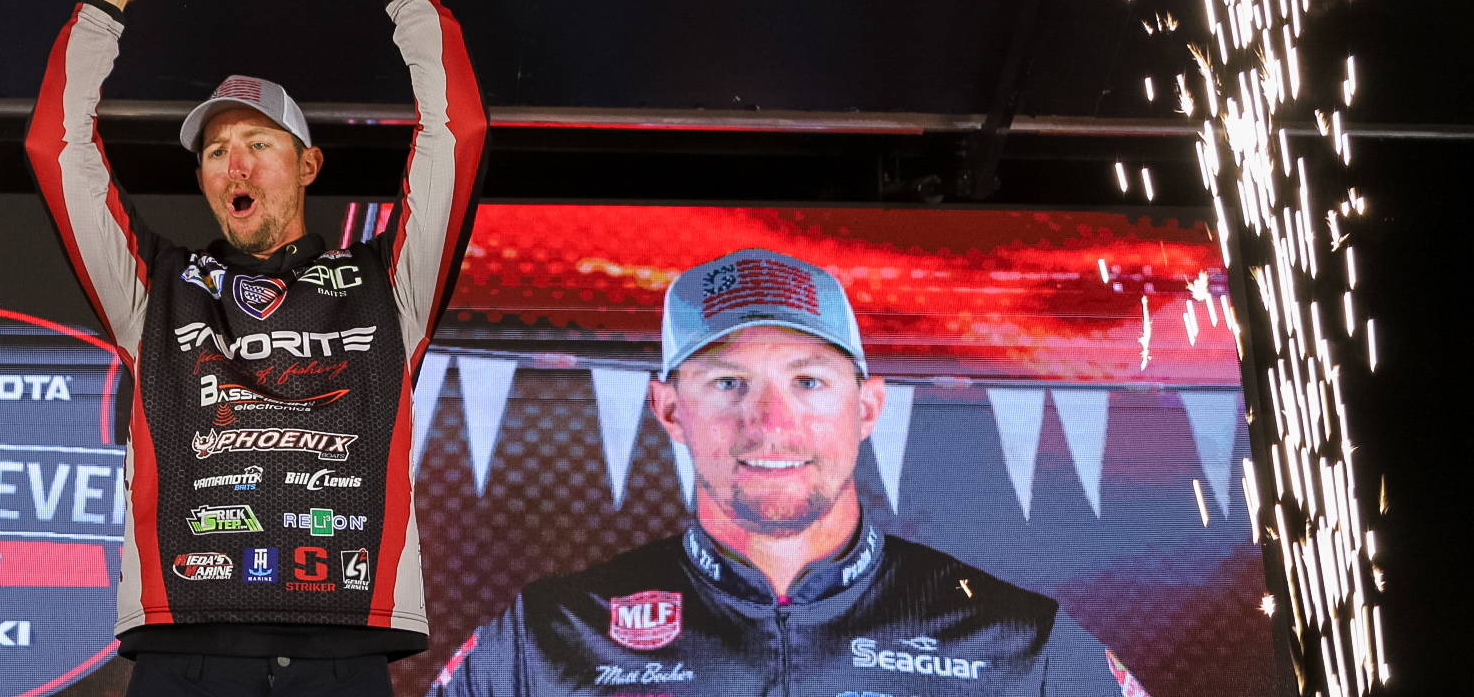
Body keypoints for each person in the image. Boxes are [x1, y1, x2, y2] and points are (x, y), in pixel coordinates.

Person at [27, 0, 488, 697]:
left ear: (308, 166)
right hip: (185, 648)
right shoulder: (157, 289)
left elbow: (458, 136)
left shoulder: (387, 285)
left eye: (257, 144)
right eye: (214, 151)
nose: (232, 166)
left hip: (345, 649)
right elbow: (56, 147)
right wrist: (104, 3)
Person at [428, 248, 1150, 697]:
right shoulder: (548, 636)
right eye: (727, 383)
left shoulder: (1016, 640)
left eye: (808, 382)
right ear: (669, 409)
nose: (770, 424)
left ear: (867, 406)